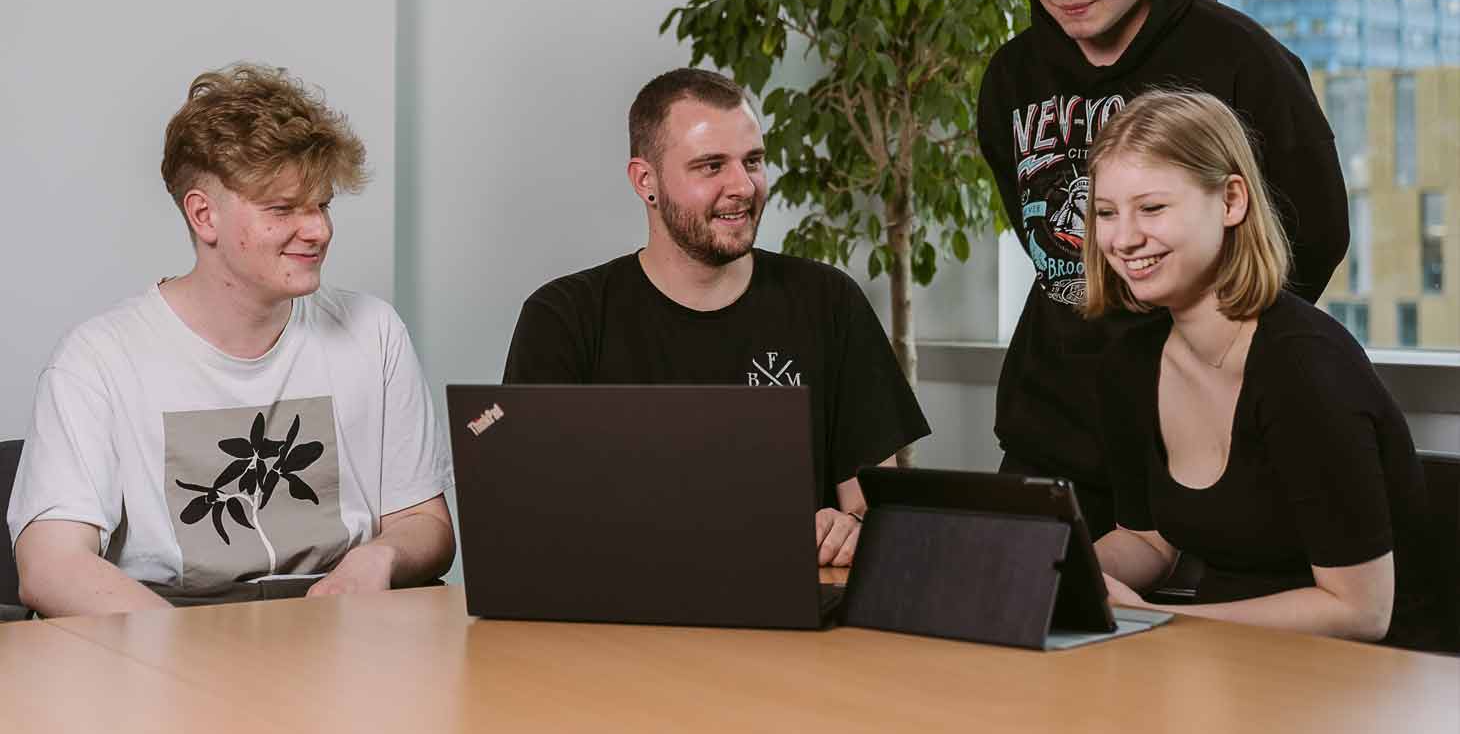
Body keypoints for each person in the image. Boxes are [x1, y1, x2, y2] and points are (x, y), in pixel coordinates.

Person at [977, 0, 1349, 538]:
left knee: (1183, 640)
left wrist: (1214, 358)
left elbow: (1315, 233)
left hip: (1196, 422)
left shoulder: (1239, 58)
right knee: (1016, 621)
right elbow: (1034, 225)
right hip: (1052, 418)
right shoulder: (1012, 76)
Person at [8, 64, 455, 616]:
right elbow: (51, 566)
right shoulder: (97, 360)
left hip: (344, 632)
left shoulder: (374, 332)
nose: (318, 230)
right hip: (167, 633)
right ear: (204, 215)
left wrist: (379, 558)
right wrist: (191, 656)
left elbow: (425, 525)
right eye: (283, 209)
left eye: (322, 204)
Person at [502, 67, 930, 566]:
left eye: (753, 161)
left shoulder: (828, 302)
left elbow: (881, 508)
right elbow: (527, 524)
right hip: (621, 624)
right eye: (711, 166)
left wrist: (852, 528)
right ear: (646, 181)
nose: (743, 187)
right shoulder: (564, 319)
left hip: (792, 624)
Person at [1085, 89, 1436, 649]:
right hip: (1212, 658)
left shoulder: (1305, 368)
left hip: (1370, 680)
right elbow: (1151, 540)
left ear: (1231, 201)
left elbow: (1362, 610)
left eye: (1151, 208)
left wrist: (1163, 624)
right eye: (1106, 213)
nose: (1123, 239)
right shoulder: (1129, 364)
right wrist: (1060, 571)